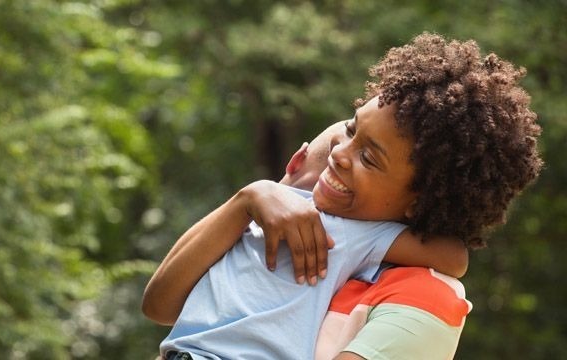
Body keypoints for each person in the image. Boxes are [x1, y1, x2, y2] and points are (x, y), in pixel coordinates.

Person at [143, 32, 543, 359]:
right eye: (351, 131)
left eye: (369, 158)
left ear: (418, 203)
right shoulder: (263, 208)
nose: (339, 153)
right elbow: (158, 306)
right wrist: (251, 198)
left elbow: (453, 257)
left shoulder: (362, 239)